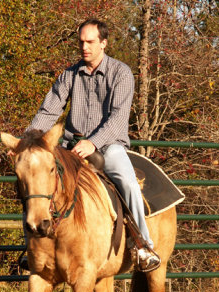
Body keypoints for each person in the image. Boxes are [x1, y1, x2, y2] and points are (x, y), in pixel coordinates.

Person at [23, 18, 160, 271]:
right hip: (70, 147)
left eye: (90, 42)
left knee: (128, 182)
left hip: (109, 145)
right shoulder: (69, 75)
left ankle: (142, 245)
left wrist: (93, 143)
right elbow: (48, 111)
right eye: (81, 42)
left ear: (104, 43)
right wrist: (28, 141)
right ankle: (30, 248)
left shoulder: (121, 73)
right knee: (36, 180)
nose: (84, 47)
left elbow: (118, 119)